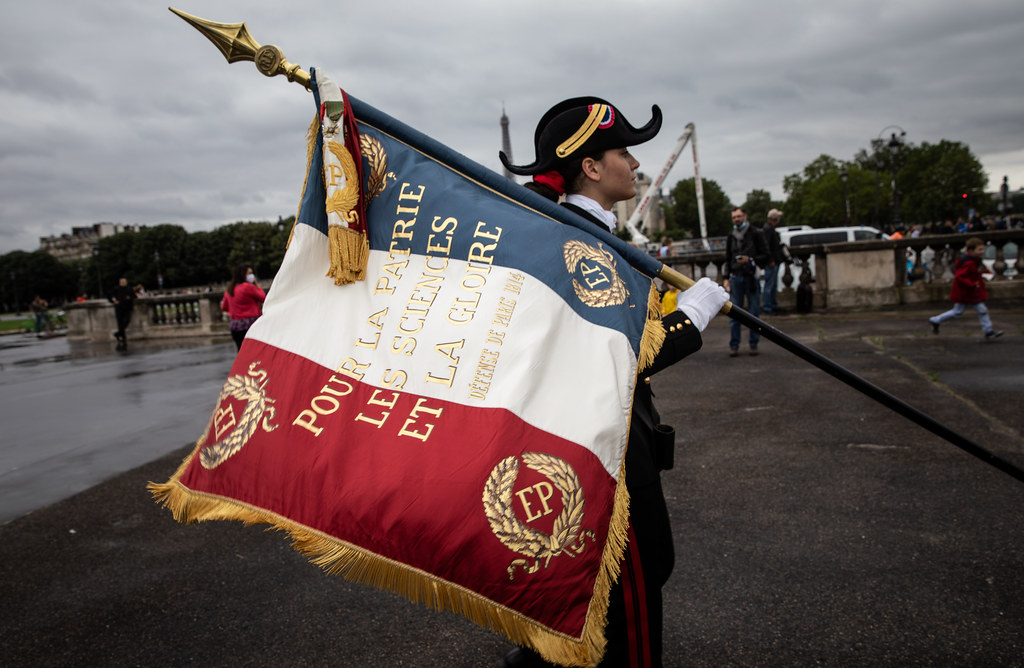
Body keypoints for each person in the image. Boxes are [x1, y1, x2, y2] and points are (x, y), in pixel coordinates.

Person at [498, 96, 729, 667]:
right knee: (629, 594)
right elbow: (617, 355)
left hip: (607, 436)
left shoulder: (577, 232)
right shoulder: (578, 240)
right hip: (606, 447)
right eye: (624, 151)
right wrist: (691, 317)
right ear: (592, 167)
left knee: (610, 586)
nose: (635, 164)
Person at [928, 237, 1003, 341]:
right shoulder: (970, 263)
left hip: (967, 292)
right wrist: (972, 284)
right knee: (967, 311)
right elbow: (960, 277)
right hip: (967, 292)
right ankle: (988, 331)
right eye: (980, 249)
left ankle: (988, 331)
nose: (982, 252)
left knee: (962, 311)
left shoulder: (972, 261)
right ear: (971, 250)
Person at [723, 206, 768, 356]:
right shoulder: (731, 236)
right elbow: (728, 258)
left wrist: (751, 259)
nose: (737, 219)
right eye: (734, 217)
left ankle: (753, 344)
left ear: (745, 216)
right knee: (735, 313)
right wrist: (725, 277)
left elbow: (766, 255)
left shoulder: (755, 233)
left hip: (750, 277)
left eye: (739, 216)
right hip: (736, 277)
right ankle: (734, 345)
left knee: (754, 313)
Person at [221, 264, 266, 351]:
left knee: (241, 351)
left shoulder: (230, 289)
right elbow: (263, 297)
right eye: (249, 273)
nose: (252, 275)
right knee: (254, 351)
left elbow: (224, 307)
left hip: (235, 325)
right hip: (249, 323)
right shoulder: (247, 287)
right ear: (243, 274)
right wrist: (256, 285)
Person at [761, 209, 785, 314]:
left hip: (774, 260)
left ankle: (772, 304)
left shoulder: (770, 228)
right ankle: (768, 306)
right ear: (775, 218)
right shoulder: (768, 229)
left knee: (773, 284)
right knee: (769, 284)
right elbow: (766, 246)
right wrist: (770, 259)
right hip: (772, 261)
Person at [109, 277, 136, 351]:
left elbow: (134, 296)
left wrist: (129, 297)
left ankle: (118, 333)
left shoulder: (129, 289)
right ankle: (123, 338)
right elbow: (111, 296)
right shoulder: (116, 289)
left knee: (126, 320)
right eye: (122, 282)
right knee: (120, 323)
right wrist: (114, 301)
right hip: (119, 308)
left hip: (128, 307)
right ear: (120, 283)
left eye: (124, 282)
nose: (123, 283)